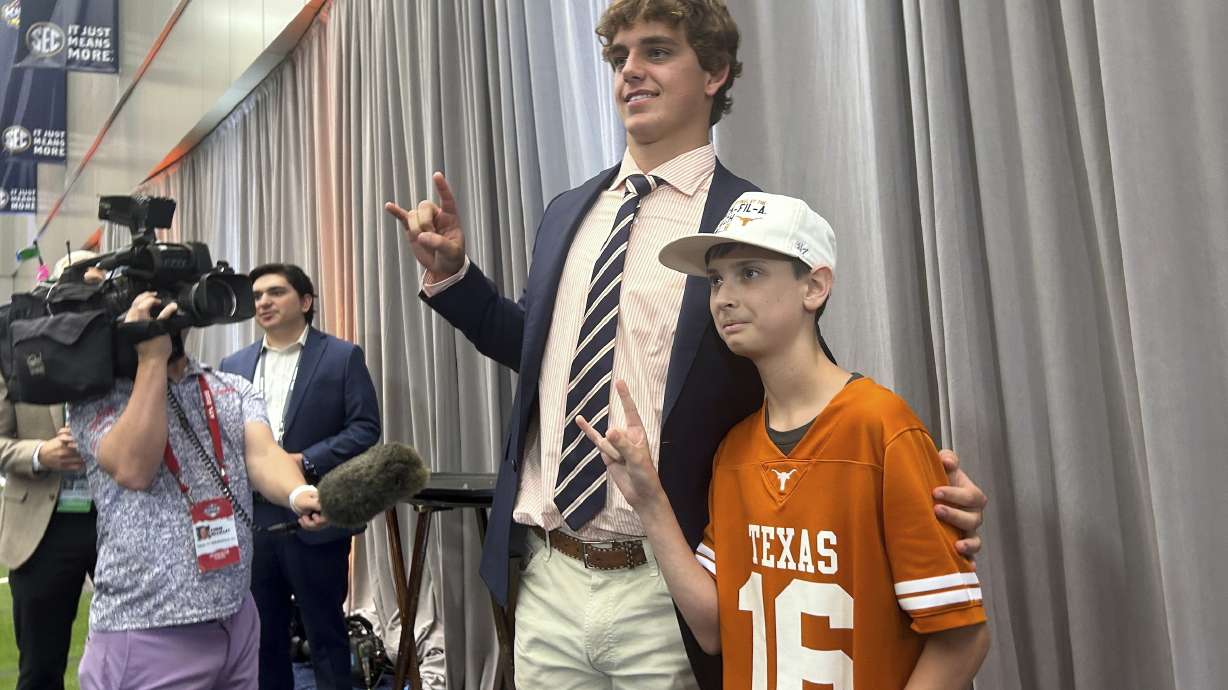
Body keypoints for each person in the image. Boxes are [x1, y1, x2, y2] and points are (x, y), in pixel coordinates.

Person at [385, 0, 988, 686]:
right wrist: (455, 278)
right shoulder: (567, 212)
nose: (630, 72)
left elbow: (799, 381)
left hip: (671, 586)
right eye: (620, 57)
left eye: (658, 51)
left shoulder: (746, 224)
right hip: (549, 574)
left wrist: (909, 491)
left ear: (715, 72)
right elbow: (542, 352)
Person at [580, 192, 991, 687]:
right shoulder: (734, 451)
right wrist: (649, 501)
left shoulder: (881, 428)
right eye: (716, 280)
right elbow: (713, 629)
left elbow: (962, 637)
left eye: (750, 273)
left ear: (813, 287)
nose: (724, 297)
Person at [69, 292, 326, 690]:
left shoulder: (231, 387)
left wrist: (298, 494)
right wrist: (150, 358)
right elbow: (134, 468)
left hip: (236, 617)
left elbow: (262, 454)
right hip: (147, 630)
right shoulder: (98, 396)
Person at [219, 263, 381, 690]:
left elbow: (366, 428)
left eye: (276, 292)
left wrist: (304, 461)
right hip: (253, 520)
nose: (263, 302)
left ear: (305, 301)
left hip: (315, 515)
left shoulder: (341, 356)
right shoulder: (233, 365)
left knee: (325, 635)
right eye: (257, 295)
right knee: (262, 638)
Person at [0, 252, 105, 690]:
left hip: (120, 520)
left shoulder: (130, 346)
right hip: (41, 528)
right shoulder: (14, 349)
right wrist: (42, 453)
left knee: (141, 656)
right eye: (79, 284)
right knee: (40, 669)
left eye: (98, 287)